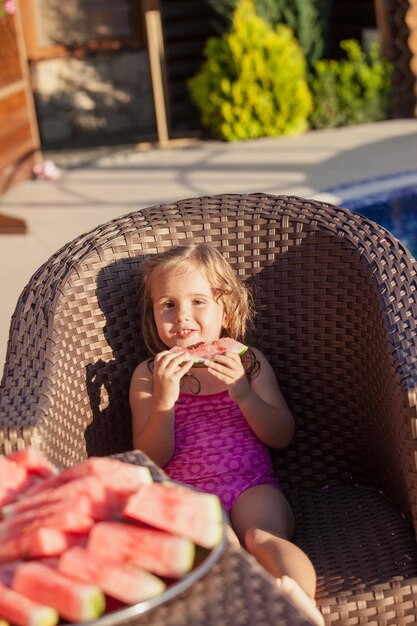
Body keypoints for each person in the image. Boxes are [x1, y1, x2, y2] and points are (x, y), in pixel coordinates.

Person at [130, 243, 324, 626]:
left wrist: (244, 393)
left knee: (263, 537)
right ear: (152, 316)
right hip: (188, 494)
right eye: (167, 304)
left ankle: (301, 604)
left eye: (198, 301)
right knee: (223, 545)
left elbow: (281, 435)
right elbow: (150, 458)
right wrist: (165, 399)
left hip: (253, 483)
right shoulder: (148, 375)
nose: (182, 315)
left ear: (226, 309)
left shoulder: (248, 363)